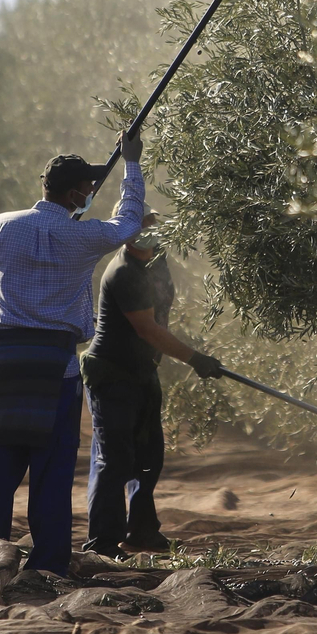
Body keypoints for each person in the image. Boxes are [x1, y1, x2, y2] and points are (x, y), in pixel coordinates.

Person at [0, 132, 147, 576]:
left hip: (2, 364)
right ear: (76, 193)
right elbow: (130, 223)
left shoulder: (0, 224)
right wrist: (132, 164)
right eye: (87, 189)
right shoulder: (85, 238)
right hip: (57, 368)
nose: (88, 195)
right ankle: (46, 567)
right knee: (51, 472)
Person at [82, 213, 222, 558]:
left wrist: (171, 354)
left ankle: (142, 531)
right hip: (112, 375)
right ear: (126, 232)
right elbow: (147, 328)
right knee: (115, 459)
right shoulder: (124, 272)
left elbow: (161, 317)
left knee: (149, 457)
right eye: (139, 227)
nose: (146, 233)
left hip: (143, 372)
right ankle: (102, 541)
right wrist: (195, 359)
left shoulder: (159, 262)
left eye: (150, 226)